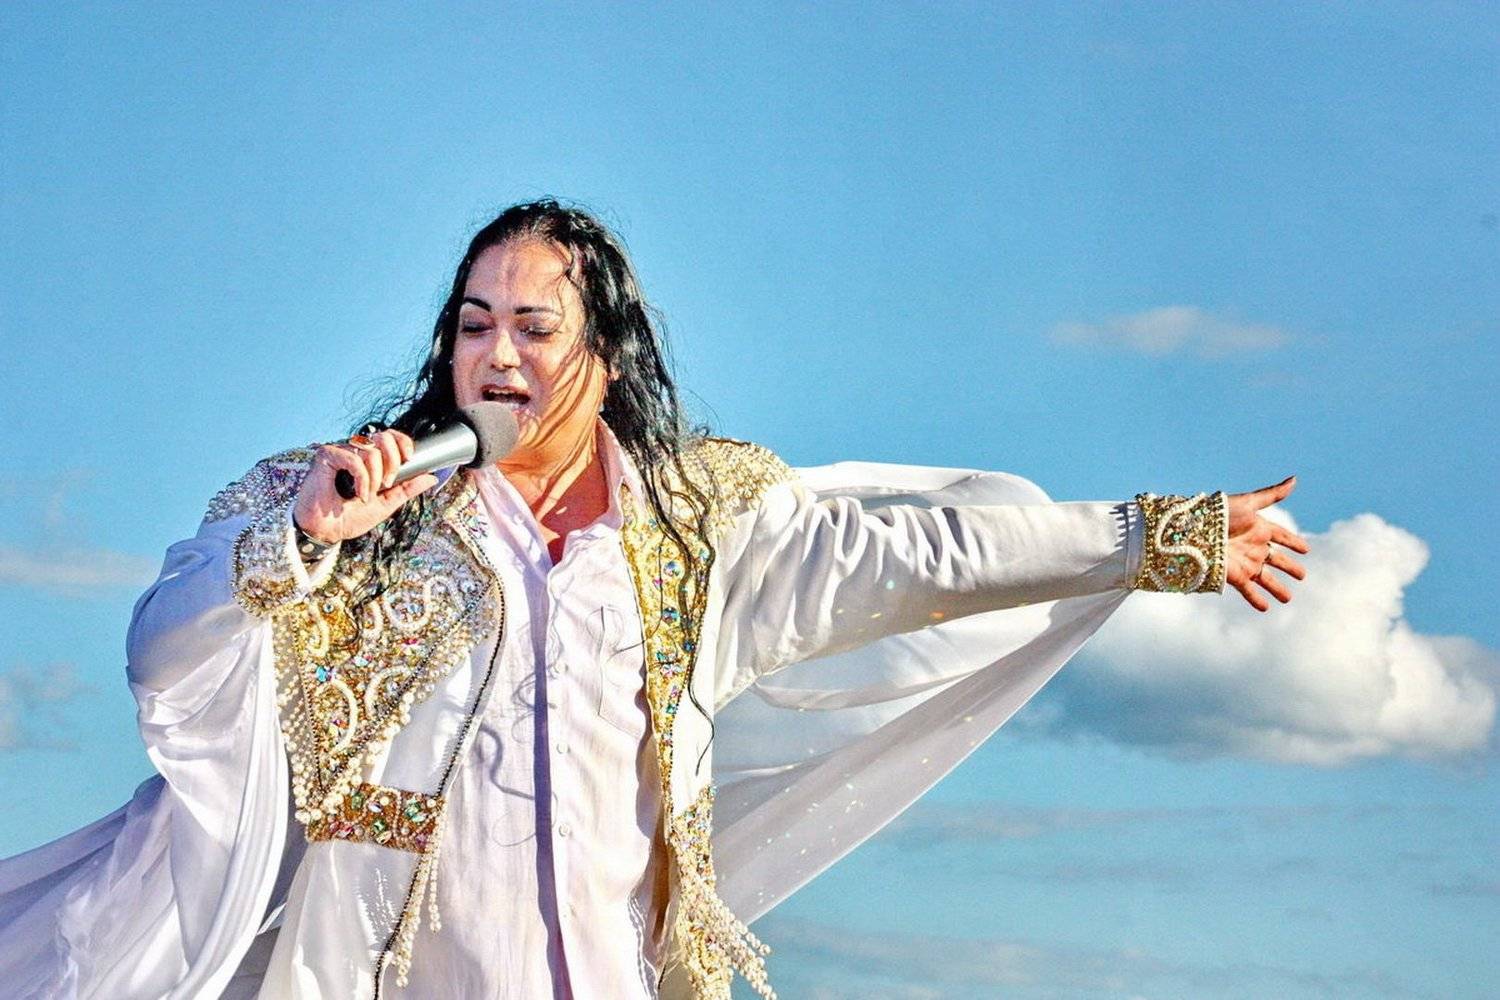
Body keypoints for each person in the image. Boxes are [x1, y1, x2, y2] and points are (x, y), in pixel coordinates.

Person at [0, 200, 1308, 1000]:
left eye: (534, 327)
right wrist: (302, 538)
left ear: (606, 356)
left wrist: (1152, 537)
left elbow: (924, 555)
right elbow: (166, 653)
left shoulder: (696, 530)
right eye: (472, 323)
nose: (495, 353)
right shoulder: (348, 500)